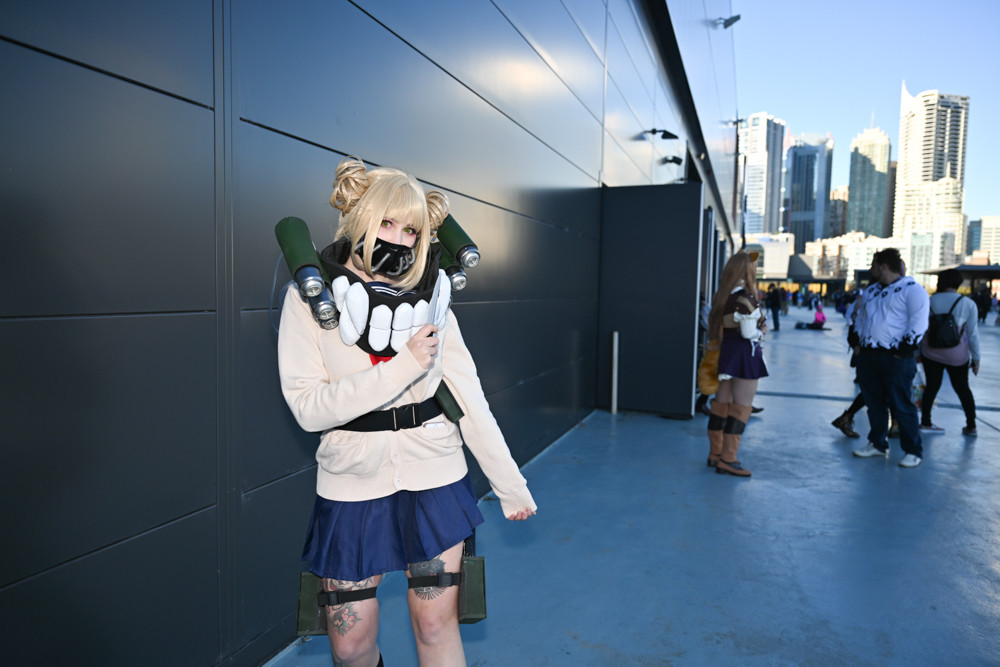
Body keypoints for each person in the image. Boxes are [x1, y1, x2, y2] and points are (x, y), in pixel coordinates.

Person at [277, 157, 536, 667]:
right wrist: (401, 368)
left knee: (436, 625)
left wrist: (510, 485)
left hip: (435, 474)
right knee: (350, 644)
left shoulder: (433, 301)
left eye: (411, 230)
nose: (397, 239)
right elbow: (308, 408)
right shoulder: (309, 299)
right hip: (351, 483)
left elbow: (469, 399)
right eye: (387, 223)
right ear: (360, 219)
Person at [851, 248, 929, 468]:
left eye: (873, 265)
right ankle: (877, 443)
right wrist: (856, 339)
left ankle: (913, 450)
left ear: (883, 266)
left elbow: (919, 321)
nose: (871, 270)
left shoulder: (913, 290)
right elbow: (862, 318)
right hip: (869, 356)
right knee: (874, 404)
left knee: (902, 405)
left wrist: (906, 348)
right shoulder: (872, 291)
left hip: (895, 358)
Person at [704, 250, 768, 477]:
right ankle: (728, 459)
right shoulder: (745, 299)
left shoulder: (723, 297)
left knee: (721, 404)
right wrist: (762, 332)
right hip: (744, 355)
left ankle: (715, 454)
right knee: (741, 408)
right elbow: (748, 333)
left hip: (727, 353)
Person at [918, 269, 981, 436]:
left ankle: (925, 422)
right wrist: (976, 359)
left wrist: (917, 353)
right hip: (957, 355)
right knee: (963, 389)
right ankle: (971, 426)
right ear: (958, 283)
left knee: (931, 387)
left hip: (930, 352)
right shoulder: (967, 304)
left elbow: (920, 330)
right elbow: (973, 334)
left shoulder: (929, 301)